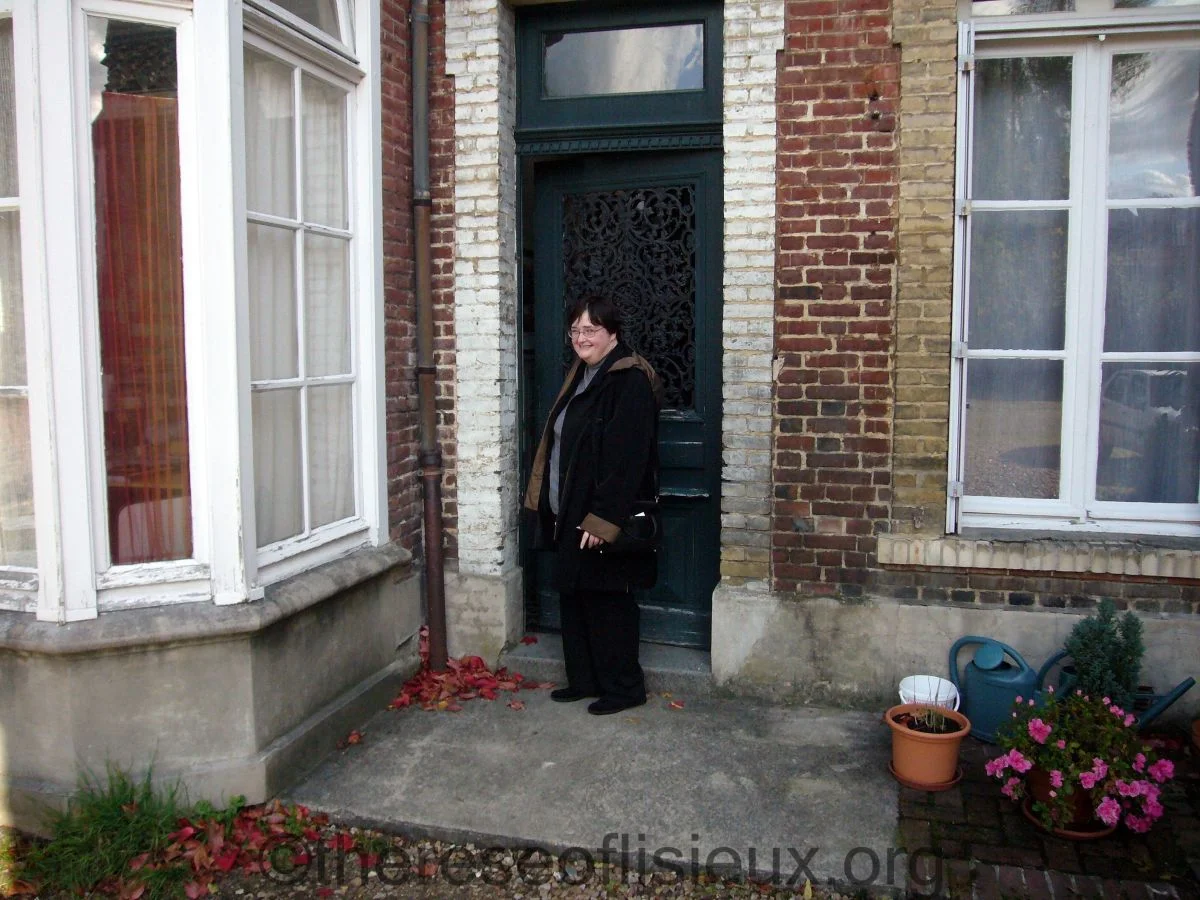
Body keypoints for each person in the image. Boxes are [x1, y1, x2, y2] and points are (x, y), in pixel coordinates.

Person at [523, 295, 663, 715]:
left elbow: (628, 458)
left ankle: (623, 688)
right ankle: (583, 680)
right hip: (568, 511)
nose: (581, 338)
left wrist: (603, 517)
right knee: (574, 595)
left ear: (612, 334)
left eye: (591, 330)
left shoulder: (628, 380)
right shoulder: (582, 375)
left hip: (600, 515)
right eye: (575, 330)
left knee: (608, 600)